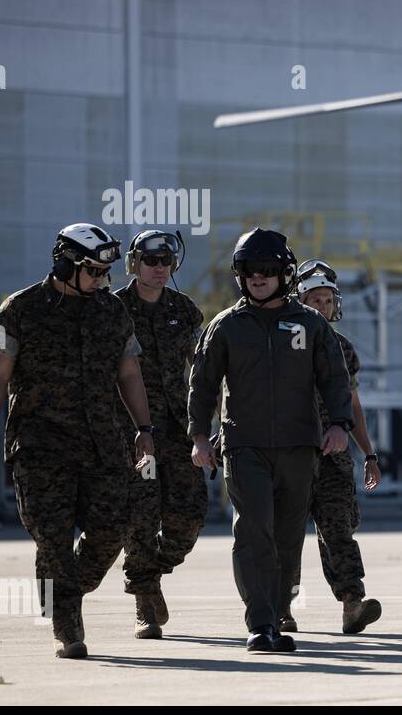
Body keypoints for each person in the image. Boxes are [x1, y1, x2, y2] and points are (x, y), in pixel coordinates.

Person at [0, 223, 154, 659]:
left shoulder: (111, 312)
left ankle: (63, 590)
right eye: (92, 270)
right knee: (52, 539)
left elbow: (129, 375)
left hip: (103, 443)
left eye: (104, 272)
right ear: (64, 263)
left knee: (113, 529)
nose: (100, 279)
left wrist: (145, 430)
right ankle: (67, 625)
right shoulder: (19, 309)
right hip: (40, 447)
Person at [187, 228, 353, 653]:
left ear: (285, 272)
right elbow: (202, 386)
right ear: (238, 275)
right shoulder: (226, 327)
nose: (257, 278)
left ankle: (277, 616)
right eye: (248, 270)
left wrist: (339, 425)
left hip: (300, 447)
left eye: (266, 270)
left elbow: (335, 381)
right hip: (245, 446)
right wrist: (199, 437)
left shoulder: (311, 324)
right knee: (253, 530)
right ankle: (259, 622)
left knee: (288, 536)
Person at [115, 229, 208, 639]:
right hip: (131, 431)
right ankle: (144, 603)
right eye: (151, 261)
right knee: (140, 517)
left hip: (177, 428)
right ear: (134, 263)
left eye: (166, 261)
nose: (158, 268)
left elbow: (201, 372)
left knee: (189, 517)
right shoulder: (112, 309)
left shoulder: (186, 311)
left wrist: (207, 424)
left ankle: (149, 576)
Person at [286, 259, 383, 635]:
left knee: (338, 530)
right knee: (287, 533)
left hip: (334, 457)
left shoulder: (343, 349)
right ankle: (281, 607)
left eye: (327, 300)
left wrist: (369, 455)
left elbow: (353, 405)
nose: (322, 307)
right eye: (314, 299)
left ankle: (352, 604)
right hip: (290, 453)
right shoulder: (282, 341)